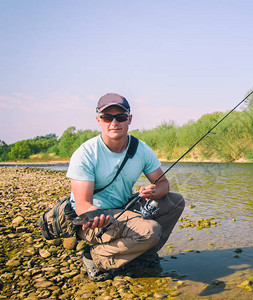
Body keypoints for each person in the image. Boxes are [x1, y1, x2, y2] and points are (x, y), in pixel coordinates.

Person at [66, 93, 185, 281]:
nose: (114, 122)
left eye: (120, 117)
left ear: (129, 119)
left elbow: (163, 183)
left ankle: (142, 254)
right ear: (98, 119)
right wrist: (95, 216)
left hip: (124, 207)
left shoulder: (141, 149)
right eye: (107, 117)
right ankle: (97, 257)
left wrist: (156, 191)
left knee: (176, 201)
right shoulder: (86, 153)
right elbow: (82, 205)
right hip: (94, 218)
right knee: (150, 231)